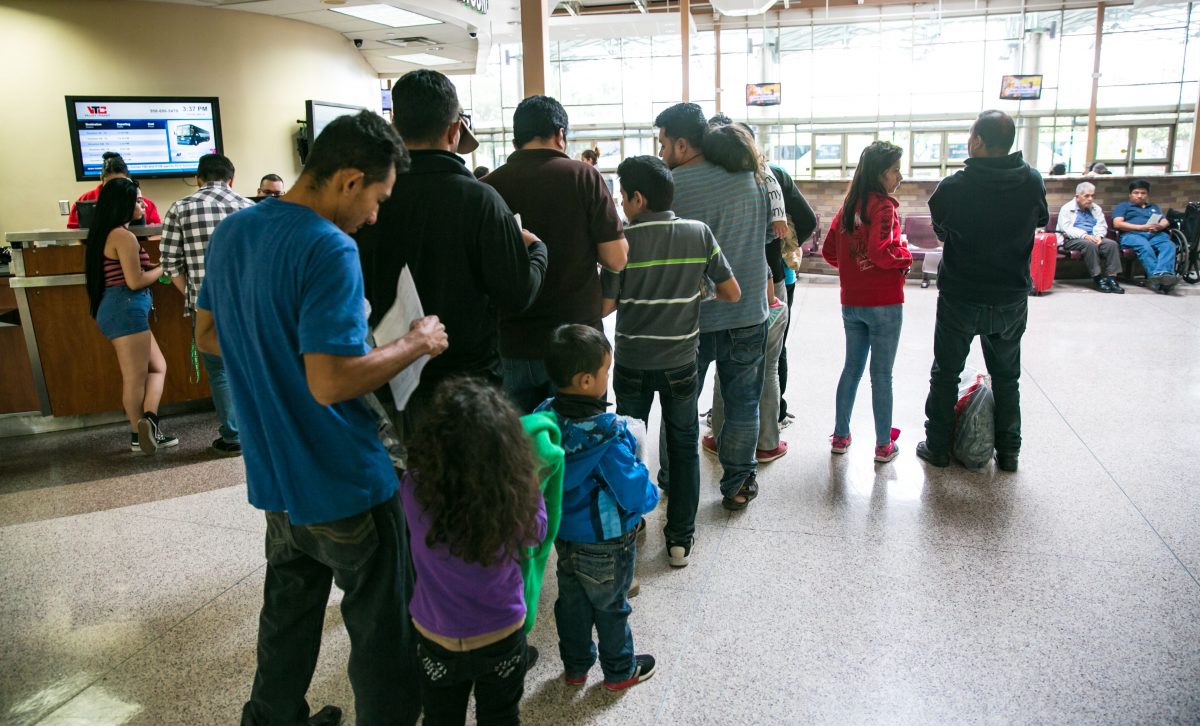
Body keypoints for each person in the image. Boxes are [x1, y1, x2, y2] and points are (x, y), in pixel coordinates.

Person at [194, 110, 447, 726]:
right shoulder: (329, 247)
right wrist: (415, 342)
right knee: (382, 628)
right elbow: (330, 381)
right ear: (348, 180)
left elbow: (207, 334)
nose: (375, 215)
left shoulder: (234, 232)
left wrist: (287, 343)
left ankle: (272, 717)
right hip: (343, 477)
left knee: (288, 612)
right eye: (377, 198)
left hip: (275, 475)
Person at [357, 69, 547, 438]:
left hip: (388, 376)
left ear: (395, 127)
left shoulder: (369, 198)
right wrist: (537, 251)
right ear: (454, 130)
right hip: (469, 384)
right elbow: (518, 294)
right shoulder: (480, 200)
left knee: (409, 485)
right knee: (470, 487)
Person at [601, 155, 739, 568]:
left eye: (623, 197)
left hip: (631, 363)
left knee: (628, 445)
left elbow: (607, 306)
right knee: (682, 447)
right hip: (681, 363)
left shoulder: (622, 242)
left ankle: (631, 524)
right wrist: (698, 293)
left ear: (638, 199)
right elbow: (731, 292)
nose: (622, 205)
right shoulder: (699, 233)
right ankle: (680, 540)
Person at [401, 378, 547, 725]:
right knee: (500, 716)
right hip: (501, 631)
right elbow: (536, 536)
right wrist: (530, 480)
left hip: (435, 633)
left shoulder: (413, 488)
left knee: (440, 717)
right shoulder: (513, 495)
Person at [918, 110, 1048, 473]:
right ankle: (1009, 454)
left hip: (961, 294)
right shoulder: (1032, 180)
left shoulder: (954, 186)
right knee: (1007, 377)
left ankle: (938, 447)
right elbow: (1038, 220)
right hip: (1010, 297)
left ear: (977, 141)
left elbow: (942, 230)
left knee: (945, 374)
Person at [655, 102, 769, 510]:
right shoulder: (753, 178)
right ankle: (738, 485)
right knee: (742, 405)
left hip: (691, 319)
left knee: (680, 406)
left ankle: (672, 479)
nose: (662, 151)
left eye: (664, 142)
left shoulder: (670, 186)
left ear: (683, 144)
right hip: (748, 312)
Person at [535, 324, 659, 691]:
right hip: (606, 541)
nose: (609, 376)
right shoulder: (608, 438)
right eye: (607, 370)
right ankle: (620, 671)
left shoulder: (546, 420)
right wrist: (651, 493)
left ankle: (575, 668)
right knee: (611, 606)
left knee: (571, 605)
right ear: (587, 380)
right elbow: (635, 494)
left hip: (564, 535)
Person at [484, 95, 628, 412]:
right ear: (560, 134)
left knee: (521, 448)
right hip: (577, 341)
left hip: (511, 340)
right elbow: (616, 258)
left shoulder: (488, 187)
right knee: (581, 445)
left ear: (515, 138)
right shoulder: (584, 177)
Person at [707, 116, 818, 429]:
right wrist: (778, 251)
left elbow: (806, 220)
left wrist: (778, 248)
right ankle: (775, 418)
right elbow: (807, 219)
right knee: (773, 349)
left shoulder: (722, 178)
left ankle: (727, 421)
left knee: (737, 351)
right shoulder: (770, 174)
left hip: (740, 279)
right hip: (773, 275)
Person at [700, 122, 791, 464]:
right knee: (752, 381)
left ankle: (718, 439)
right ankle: (748, 466)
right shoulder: (762, 181)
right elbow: (776, 233)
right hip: (757, 295)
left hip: (712, 298)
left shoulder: (701, 183)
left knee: (725, 379)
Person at [822, 141, 912, 463]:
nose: (899, 177)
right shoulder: (883, 206)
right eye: (895, 170)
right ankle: (883, 445)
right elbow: (880, 251)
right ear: (879, 173)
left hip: (852, 303)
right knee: (881, 376)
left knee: (851, 370)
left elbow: (829, 252)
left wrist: (854, 273)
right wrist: (904, 258)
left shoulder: (848, 206)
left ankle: (841, 436)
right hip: (885, 303)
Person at [160, 153, 253, 455]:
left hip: (208, 307)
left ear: (198, 178)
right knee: (251, 367)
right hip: (250, 305)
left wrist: (194, 295)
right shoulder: (249, 208)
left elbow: (170, 264)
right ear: (231, 179)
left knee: (220, 371)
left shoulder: (180, 208)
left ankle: (234, 436)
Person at [83, 178, 177, 454]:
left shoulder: (104, 234)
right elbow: (135, 281)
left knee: (157, 367)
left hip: (117, 308)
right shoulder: (123, 236)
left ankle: (149, 423)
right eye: (137, 200)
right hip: (125, 307)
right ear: (122, 204)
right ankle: (138, 435)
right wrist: (165, 267)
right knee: (135, 377)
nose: (142, 204)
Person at [1112, 179, 1179, 294]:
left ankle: (1163, 275)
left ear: (1147, 195)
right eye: (1136, 193)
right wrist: (1141, 227)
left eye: (1143, 193)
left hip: (1154, 234)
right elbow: (1117, 223)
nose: (1140, 196)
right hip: (1132, 235)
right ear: (1130, 194)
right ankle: (1160, 279)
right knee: (1144, 246)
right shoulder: (1124, 206)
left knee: (1169, 245)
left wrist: (1159, 226)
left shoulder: (1153, 207)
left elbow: (1165, 221)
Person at [1057, 181, 1123, 294]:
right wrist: (1085, 236)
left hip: (1093, 237)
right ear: (1077, 196)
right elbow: (1066, 229)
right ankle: (1097, 278)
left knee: (1111, 244)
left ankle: (1112, 279)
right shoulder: (1066, 208)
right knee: (1089, 245)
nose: (1090, 199)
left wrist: (1099, 236)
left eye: (1092, 196)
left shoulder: (1096, 208)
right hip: (1071, 239)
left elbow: (1101, 225)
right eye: (1087, 196)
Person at [68, 152, 161, 228]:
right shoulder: (85, 200)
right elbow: (74, 235)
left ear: (128, 179)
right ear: (101, 178)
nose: (115, 188)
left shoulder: (143, 204)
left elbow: (157, 234)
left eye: (120, 182)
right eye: (110, 183)